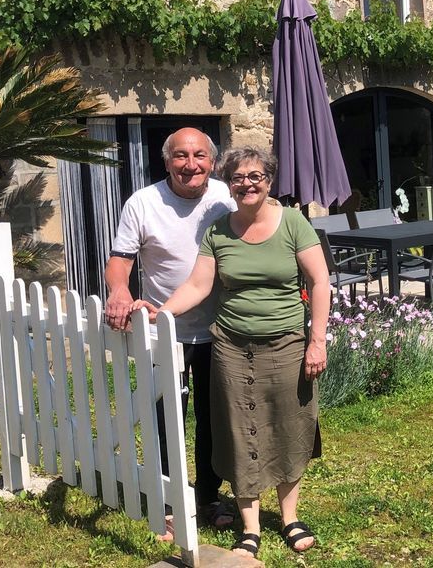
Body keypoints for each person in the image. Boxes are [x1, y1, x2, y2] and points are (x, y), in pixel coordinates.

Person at [134, 145, 330, 558]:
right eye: (239, 177)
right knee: (240, 431)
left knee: (289, 425)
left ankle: (290, 518)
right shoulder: (219, 231)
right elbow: (198, 286)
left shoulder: (292, 222)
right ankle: (251, 526)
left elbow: (320, 283)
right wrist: (161, 312)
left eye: (256, 176)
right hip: (232, 348)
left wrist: (317, 341)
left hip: (287, 344)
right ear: (229, 184)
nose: (247, 184)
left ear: (269, 181)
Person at [104, 127, 237, 536]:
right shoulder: (143, 203)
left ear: (211, 162)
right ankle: (166, 497)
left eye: (199, 155)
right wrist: (119, 292)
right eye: (181, 156)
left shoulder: (226, 199)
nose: (190, 164)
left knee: (215, 419)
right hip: (166, 330)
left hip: (220, 328)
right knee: (166, 418)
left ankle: (209, 496)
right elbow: (120, 260)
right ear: (167, 162)